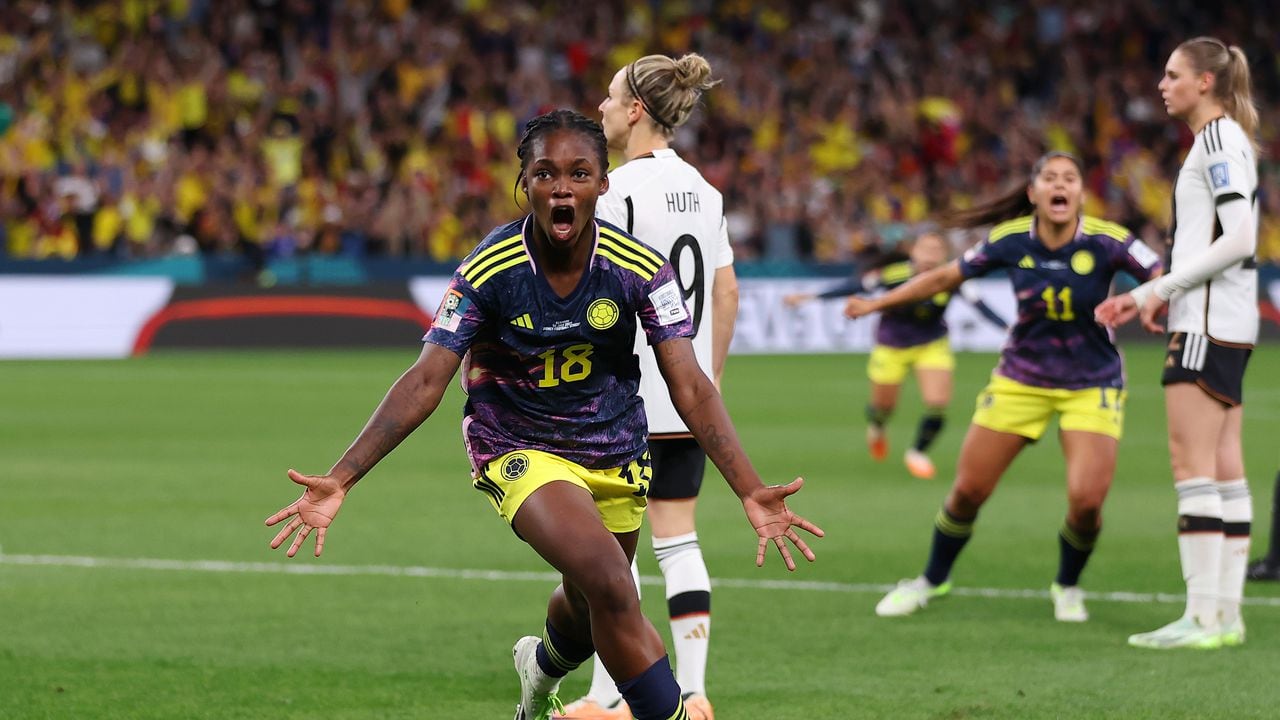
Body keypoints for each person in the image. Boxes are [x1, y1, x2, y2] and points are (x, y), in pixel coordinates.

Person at [263, 110, 823, 720]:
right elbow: (426, 379)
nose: (562, 187)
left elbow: (690, 384)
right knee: (615, 581)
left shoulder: (639, 268)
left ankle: (539, 673)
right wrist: (341, 477)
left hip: (614, 452)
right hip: (517, 447)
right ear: (524, 183)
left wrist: (749, 489)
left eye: (579, 173)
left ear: (603, 185)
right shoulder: (491, 268)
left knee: (589, 609)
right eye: (546, 173)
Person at [846, 152, 1162, 623]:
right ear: (1033, 193)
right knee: (968, 492)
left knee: (1086, 501)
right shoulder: (1009, 240)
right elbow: (942, 276)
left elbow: (1161, 272)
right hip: (1021, 380)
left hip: (1091, 382)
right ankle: (931, 580)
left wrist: (1144, 297)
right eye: (1049, 178)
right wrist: (876, 305)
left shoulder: (1108, 240)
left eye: (1070, 178)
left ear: (1080, 193)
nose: (1060, 185)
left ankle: (1068, 585)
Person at [549, 54, 735, 720]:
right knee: (679, 539)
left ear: (635, 110)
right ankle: (693, 689)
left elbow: (600, 289)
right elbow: (726, 288)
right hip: (685, 395)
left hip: (620, 399)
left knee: (608, 552)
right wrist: (706, 380)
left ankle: (607, 697)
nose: (599, 109)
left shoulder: (619, 190)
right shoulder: (706, 193)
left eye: (608, 99)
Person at [1095, 37, 1260, 649]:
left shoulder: (1216, 141)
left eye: (1172, 75)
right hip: (1228, 320)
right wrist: (1165, 293)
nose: (1162, 86)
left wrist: (1151, 291)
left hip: (1208, 323)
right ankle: (1226, 617)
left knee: (1190, 465)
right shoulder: (1223, 141)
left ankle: (1201, 615)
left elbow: (1240, 237)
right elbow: (1216, 237)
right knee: (1224, 466)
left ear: (1205, 84)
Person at [783, 232, 1008, 480]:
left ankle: (917, 453)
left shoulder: (952, 277)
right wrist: (809, 297)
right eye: (925, 249)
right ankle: (877, 426)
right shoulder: (893, 274)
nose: (930, 255)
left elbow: (982, 306)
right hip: (891, 345)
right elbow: (855, 286)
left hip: (931, 344)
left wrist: (1009, 329)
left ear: (944, 254)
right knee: (883, 407)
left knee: (937, 403)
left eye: (936, 250)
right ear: (913, 252)